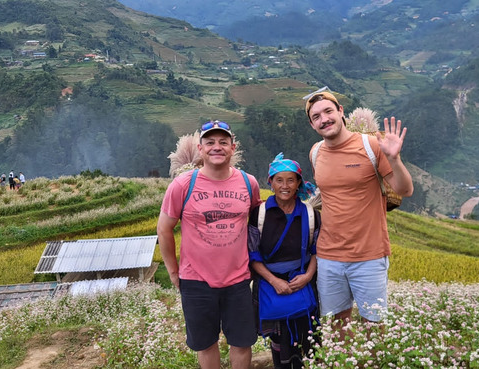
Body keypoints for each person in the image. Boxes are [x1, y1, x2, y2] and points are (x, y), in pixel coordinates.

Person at [157, 121, 262, 369]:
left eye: (223, 142)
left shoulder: (249, 183)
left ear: (232, 148)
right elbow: (164, 228)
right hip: (196, 281)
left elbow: (256, 223)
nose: (217, 147)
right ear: (200, 149)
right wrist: (174, 272)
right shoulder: (183, 185)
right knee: (205, 344)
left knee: (242, 342)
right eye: (210, 142)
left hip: (238, 280)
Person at [305, 90, 413, 326]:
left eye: (328, 111)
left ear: (341, 111)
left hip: (369, 255)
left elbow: (405, 190)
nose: (324, 119)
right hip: (328, 257)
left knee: (373, 325)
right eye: (316, 117)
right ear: (312, 124)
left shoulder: (370, 145)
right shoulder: (315, 153)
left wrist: (394, 159)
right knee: (336, 324)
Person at [249, 153, 320, 369]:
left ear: (299, 182)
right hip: (271, 285)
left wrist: (307, 276)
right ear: (270, 183)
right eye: (279, 180)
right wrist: (274, 281)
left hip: (303, 282)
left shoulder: (311, 214)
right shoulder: (259, 214)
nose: (285, 186)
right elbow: (253, 255)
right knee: (280, 340)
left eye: (291, 180)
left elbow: (317, 250)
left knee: (309, 335)